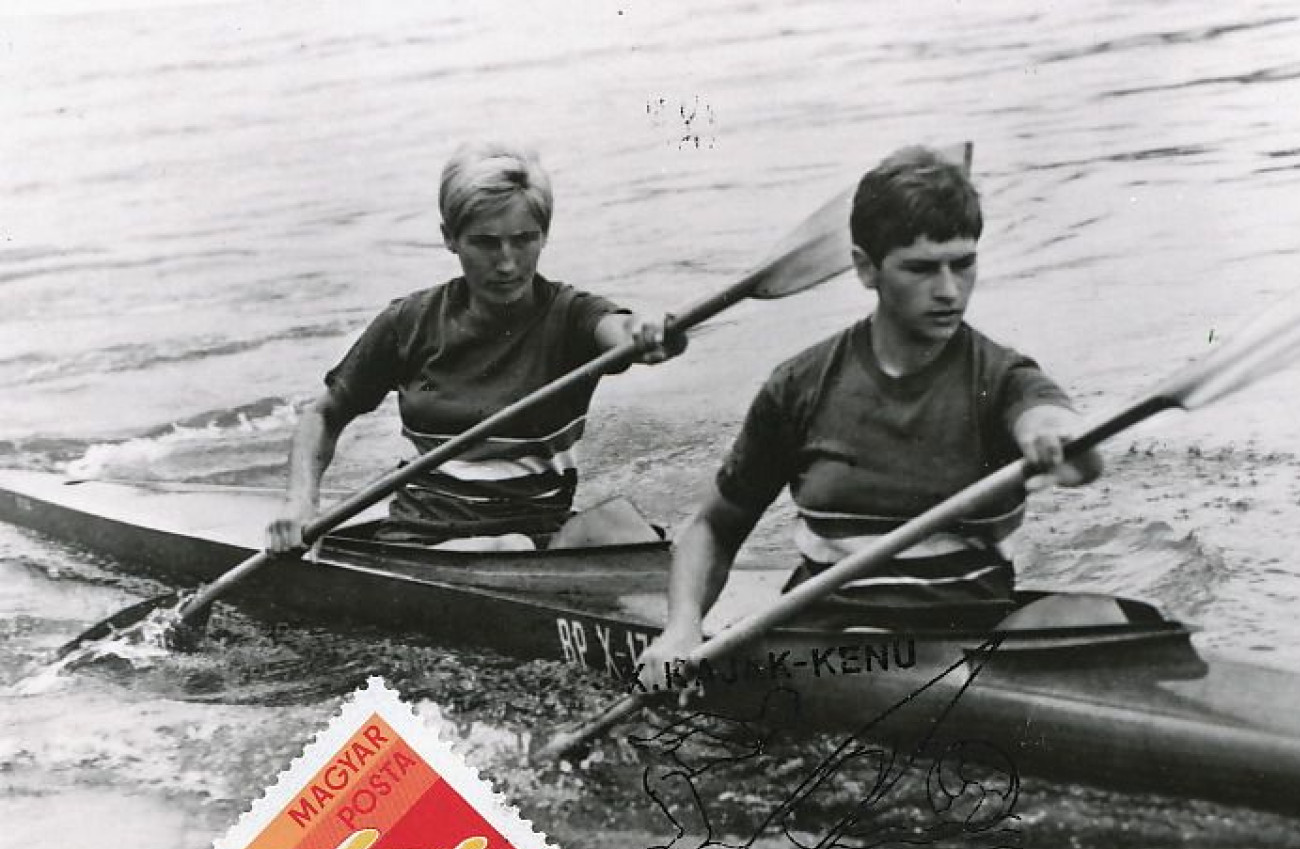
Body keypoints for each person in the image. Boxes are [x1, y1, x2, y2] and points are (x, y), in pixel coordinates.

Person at [638, 145, 1101, 688]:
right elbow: (714, 527)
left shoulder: (1002, 378)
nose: (950, 290)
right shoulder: (799, 386)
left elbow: (1068, 445)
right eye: (922, 269)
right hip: (828, 650)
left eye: (964, 263)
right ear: (865, 268)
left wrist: (1055, 438)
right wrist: (681, 630)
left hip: (965, 643)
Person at [266, 141, 682, 553]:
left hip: (538, 534)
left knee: (623, 524)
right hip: (430, 540)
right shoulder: (408, 322)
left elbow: (625, 334)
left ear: (545, 235)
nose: (507, 263)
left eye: (524, 240)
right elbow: (323, 414)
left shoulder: (572, 316)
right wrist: (300, 503)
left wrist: (649, 334)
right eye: (485, 243)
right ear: (450, 238)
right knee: (510, 546)